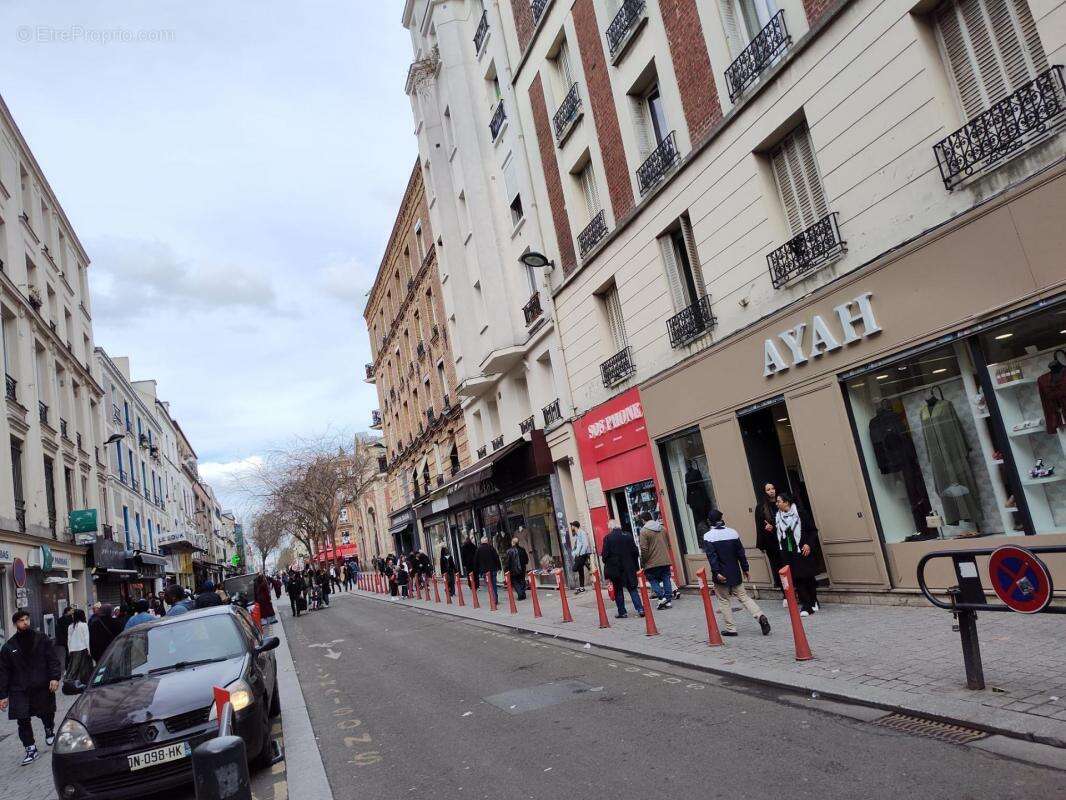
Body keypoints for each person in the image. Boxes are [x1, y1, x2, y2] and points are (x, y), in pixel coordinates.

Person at [0, 610, 62, 765]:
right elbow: (3, 672)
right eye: (21, 620)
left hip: (41, 684)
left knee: (46, 712)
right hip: (19, 688)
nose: (25, 622)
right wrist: (2, 695)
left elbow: (52, 659)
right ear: (15, 624)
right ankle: (30, 749)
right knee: (22, 719)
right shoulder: (8, 647)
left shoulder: (41, 639)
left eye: (27, 619)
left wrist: (54, 677)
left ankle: (49, 729)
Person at [702, 510, 771, 636]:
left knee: (724, 600)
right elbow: (741, 553)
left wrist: (717, 572)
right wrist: (745, 568)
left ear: (709, 521)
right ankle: (760, 615)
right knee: (744, 597)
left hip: (721, 573)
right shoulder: (733, 532)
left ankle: (731, 629)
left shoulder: (708, 536)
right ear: (722, 519)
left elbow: (712, 557)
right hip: (735, 571)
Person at [775, 492, 819, 615]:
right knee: (797, 578)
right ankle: (806, 606)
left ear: (786, 502)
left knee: (808, 577)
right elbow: (780, 535)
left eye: (779, 501)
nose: (777, 503)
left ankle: (813, 600)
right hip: (789, 552)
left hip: (803, 550)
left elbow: (813, 531)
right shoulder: (778, 517)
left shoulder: (800, 514)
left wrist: (808, 544)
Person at [600, 520, 644, 619]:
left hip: (616, 569)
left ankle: (622, 612)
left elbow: (604, 555)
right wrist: (634, 565)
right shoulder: (628, 535)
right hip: (629, 568)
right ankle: (640, 609)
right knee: (632, 589)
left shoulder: (608, 538)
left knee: (618, 590)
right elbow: (635, 551)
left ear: (610, 528)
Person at [637, 512, 674, 610]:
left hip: (651, 562)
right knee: (666, 578)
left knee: (652, 579)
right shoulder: (663, 528)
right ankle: (668, 599)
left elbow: (644, 549)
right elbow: (668, 544)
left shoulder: (644, 531)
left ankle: (662, 597)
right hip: (665, 559)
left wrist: (643, 561)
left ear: (643, 520)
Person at [755, 482, 784, 593]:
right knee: (778, 567)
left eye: (773, 488)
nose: (771, 491)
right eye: (768, 489)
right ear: (764, 492)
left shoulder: (782, 503)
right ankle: (785, 592)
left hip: (785, 540)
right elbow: (759, 526)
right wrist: (761, 544)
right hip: (771, 542)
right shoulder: (761, 507)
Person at [64, 609, 94, 689]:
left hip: (73, 649)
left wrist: (69, 649)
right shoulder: (84, 625)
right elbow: (86, 638)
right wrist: (89, 649)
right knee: (83, 666)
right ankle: (82, 681)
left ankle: (70, 680)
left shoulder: (70, 626)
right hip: (82, 648)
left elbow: (69, 639)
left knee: (73, 666)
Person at [475, 536, 501, 604]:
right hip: (493, 569)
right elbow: (496, 558)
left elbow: (476, 561)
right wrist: (499, 567)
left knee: (489, 585)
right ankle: (495, 598)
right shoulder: (491, 548)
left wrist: (478, 570)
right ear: (487, 541)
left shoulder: (478, 550)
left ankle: (493, 598)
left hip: (485, 571)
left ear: (481, 542)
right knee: (494, 584)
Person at [569, 521, 592, 593]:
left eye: (572, 525)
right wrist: (574, 553)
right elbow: (576, 545)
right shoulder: (576, 534)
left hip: (582, 554)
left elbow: (585, 544)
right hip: (578, 554)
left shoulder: (582, 533)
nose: (571, 527)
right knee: (580, 571)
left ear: (575, 526)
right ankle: (582, 587)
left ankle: (586, 564)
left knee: (574, 568)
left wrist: (580, 554)